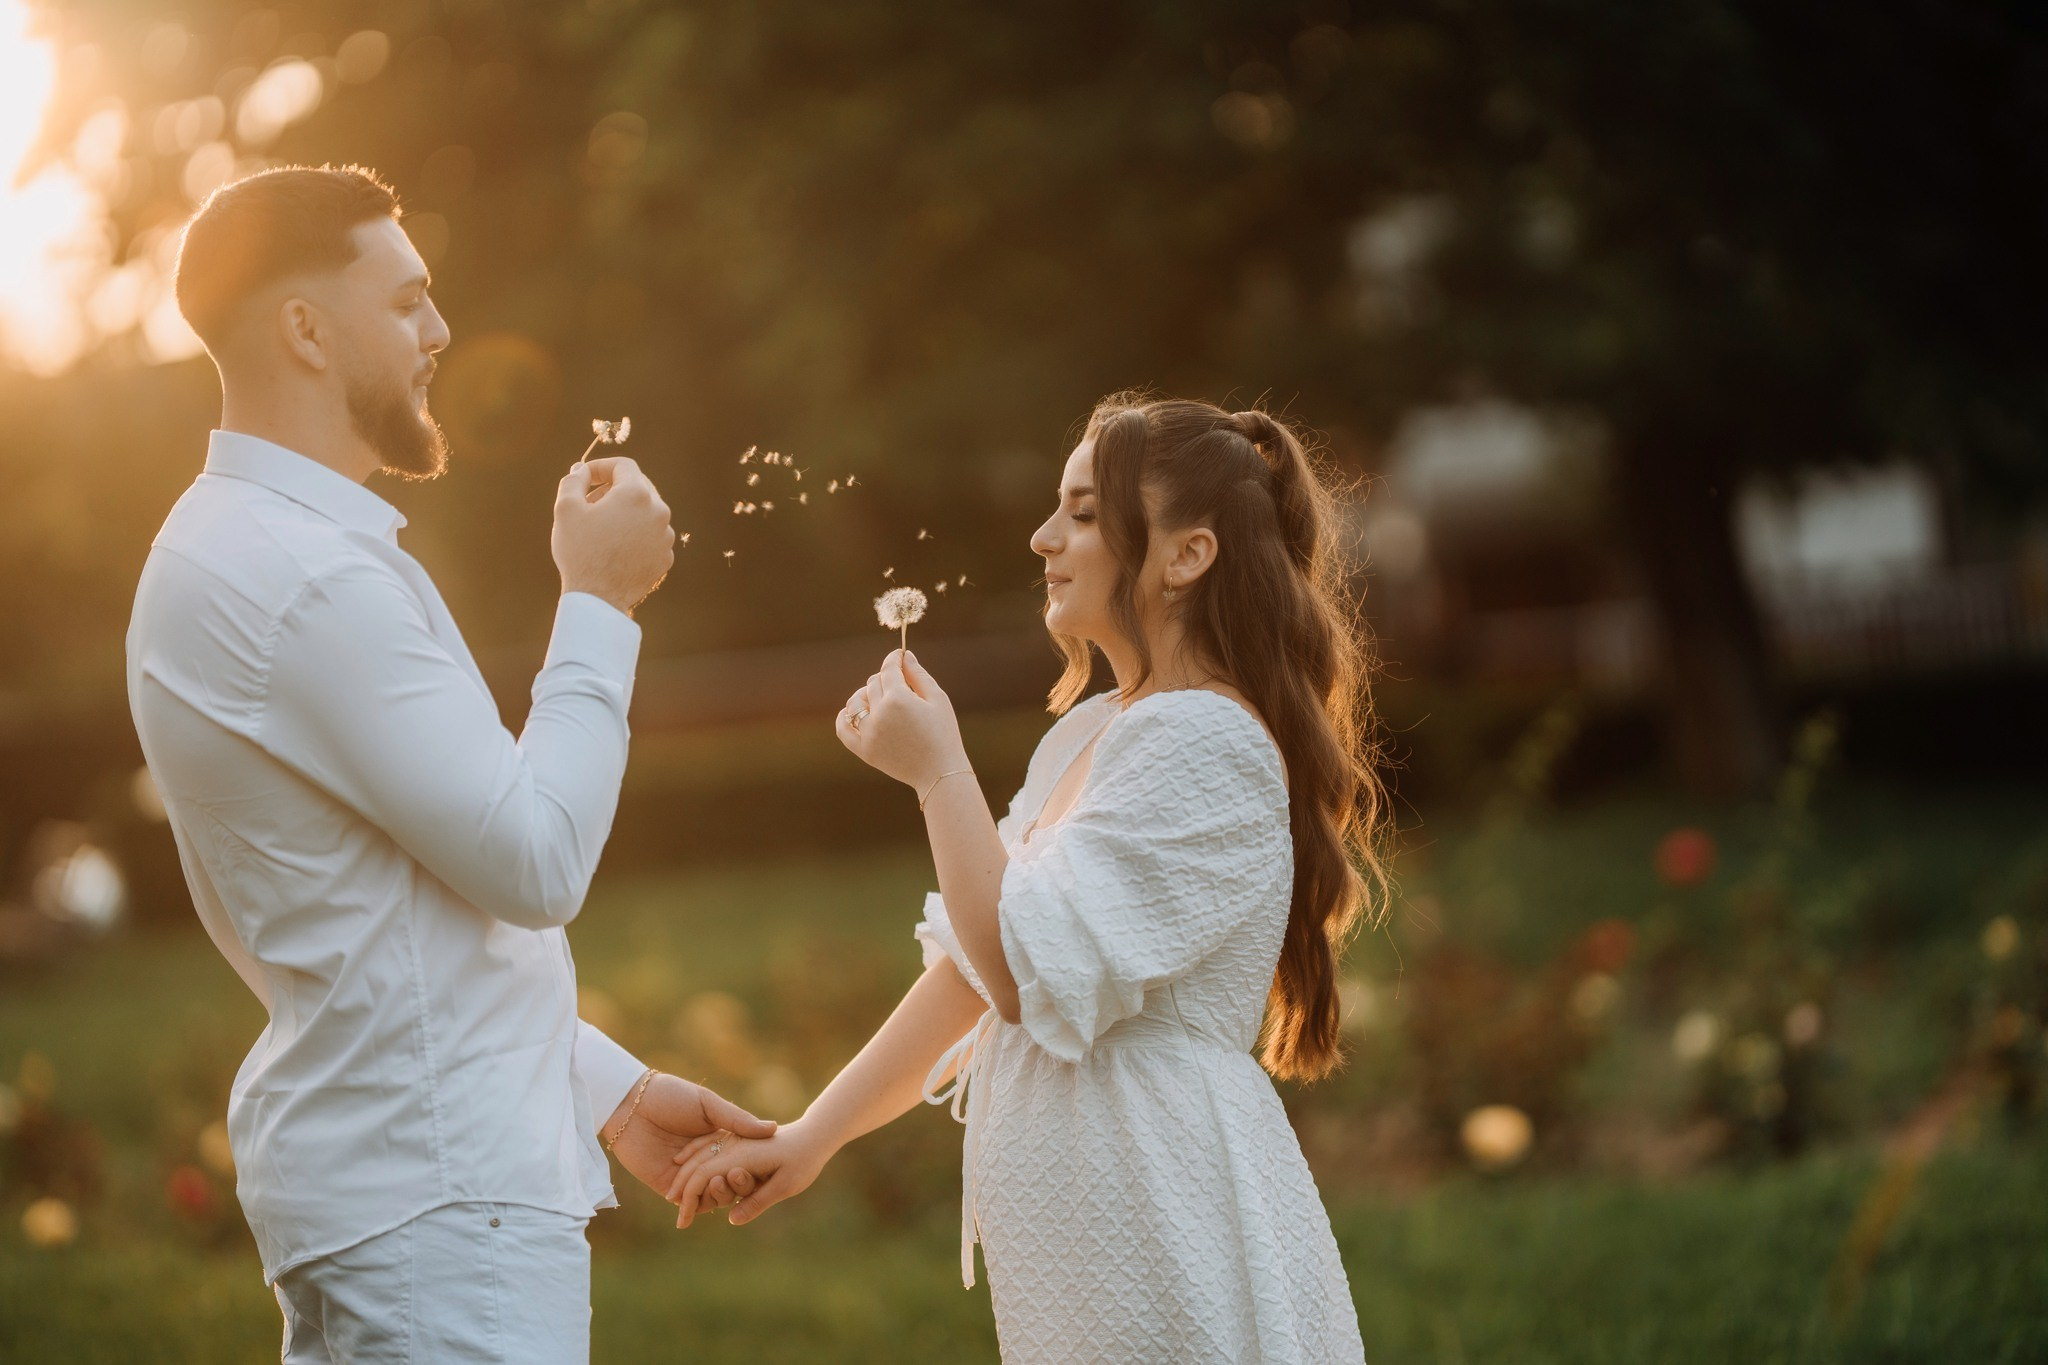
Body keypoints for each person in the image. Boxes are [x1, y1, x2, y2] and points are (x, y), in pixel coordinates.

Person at [125, 164, 766, 1364]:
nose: (441, 331)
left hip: (401, 1196)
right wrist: (600, 601)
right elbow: (533, 862)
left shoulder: (240, 550)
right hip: (442, 1219)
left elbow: (376, 930)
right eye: (409, 299)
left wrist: (606, 1091)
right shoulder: (307, 577)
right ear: (305, 330)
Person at [671, 395, 1384, 1363]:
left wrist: (938, 774)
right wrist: (813, 1136)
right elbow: (972, 966)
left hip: (1155, 1192)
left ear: (1187, 555)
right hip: (1093, 1202)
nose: (1045, 537)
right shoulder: (1096, 734)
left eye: (1085, 513)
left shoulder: (1205, 738)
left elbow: (1014, 965)